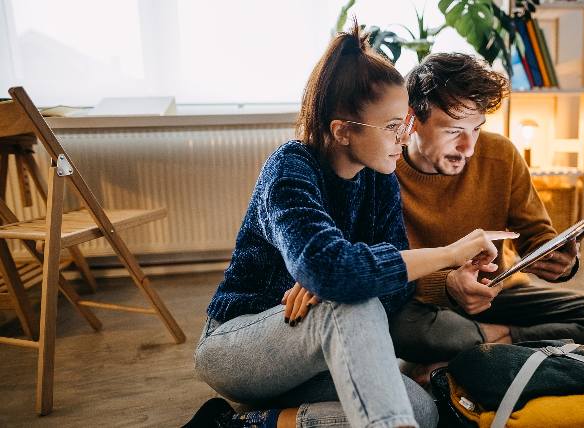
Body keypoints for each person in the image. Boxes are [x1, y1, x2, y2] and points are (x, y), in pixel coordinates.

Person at [190, 26, 516, 428]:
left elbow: (396, 294)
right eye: (393, 126)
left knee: (422, 410)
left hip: (313, 351)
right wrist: (448, 255)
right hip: (239, 345)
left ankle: (244, 424)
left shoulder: (380, 178)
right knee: (349, 303)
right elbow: (335, 273)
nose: (405, 137)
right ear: (343, 130)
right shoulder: (290, 169)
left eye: (407, 123)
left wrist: (339, 274)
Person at [387, 53, 584, 382]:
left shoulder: (500, 155)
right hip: (420, 302)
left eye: (477, 129)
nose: (468, 147)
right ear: (412, 119)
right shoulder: (384, 168)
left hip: (496, 295)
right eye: (454, 130)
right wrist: (448, 284)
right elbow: (381, 270)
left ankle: (494, 344)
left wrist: (559, 259)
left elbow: (536, 235)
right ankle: (512, 351)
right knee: (396, 326)